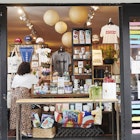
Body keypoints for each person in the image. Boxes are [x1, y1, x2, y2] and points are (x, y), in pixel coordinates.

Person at [10, 61, 43, 138]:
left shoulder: (16, 76)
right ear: (28, 69)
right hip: (23, 94)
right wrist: (42, 78)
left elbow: (12, 86)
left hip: (14, 94)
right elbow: (37, 82)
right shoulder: (30, 76)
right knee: (25, 112)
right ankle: (25, 131)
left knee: (15, 112)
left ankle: (17, 130)